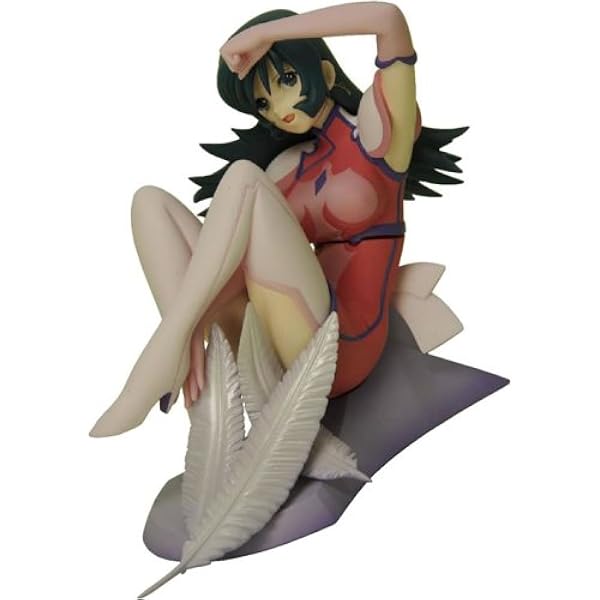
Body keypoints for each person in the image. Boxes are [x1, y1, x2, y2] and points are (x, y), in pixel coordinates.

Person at [90, 2, 465, 438]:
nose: (278, 107)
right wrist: (194, 321)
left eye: (287, 80)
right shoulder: (284, 169)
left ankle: (160, 356)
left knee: (243, 179)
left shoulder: (376, 135)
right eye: (263, 101)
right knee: (150, 203)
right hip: (277, 331)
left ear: (324, 72)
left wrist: (266, 36)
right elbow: (232, 271)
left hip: (338, 347)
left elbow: (388, 20)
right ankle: (206, 414)